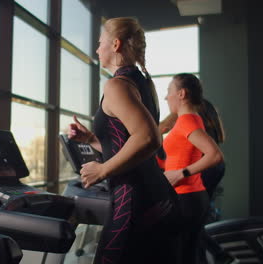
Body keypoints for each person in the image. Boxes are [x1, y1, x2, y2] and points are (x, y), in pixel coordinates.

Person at [68, 17, 182, 264]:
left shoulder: (116, 85)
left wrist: (101, 170)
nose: (97, 50)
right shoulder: (141, 82)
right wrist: (90, 138)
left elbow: (149, 139)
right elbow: (129, 144)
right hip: (156, 196)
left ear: (116, 44)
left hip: (134, 201)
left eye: (100, 43)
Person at [160, 73, 224, 264]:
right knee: (188, 255)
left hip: (187, 197)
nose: (166, 97)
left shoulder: (188, 120)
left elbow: (214, 155)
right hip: (188, 196)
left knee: (182, 255)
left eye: (169, 91)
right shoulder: (186, 120)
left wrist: (181, 173)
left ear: (181, 94)